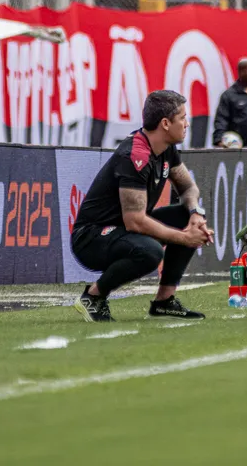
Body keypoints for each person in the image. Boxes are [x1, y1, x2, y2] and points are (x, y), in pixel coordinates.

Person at [71, 90, 213, 323]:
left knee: (184, 216)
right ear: (165, 123)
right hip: (91, 238)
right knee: (151, 251)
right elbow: (135, 220)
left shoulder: (166, 147)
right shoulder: (135, 156)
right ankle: (93, 297)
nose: (187, 124)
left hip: (123, 231)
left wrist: (195, 214)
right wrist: (184, 238)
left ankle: (164, 302)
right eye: (183, 118)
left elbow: (188, 188)